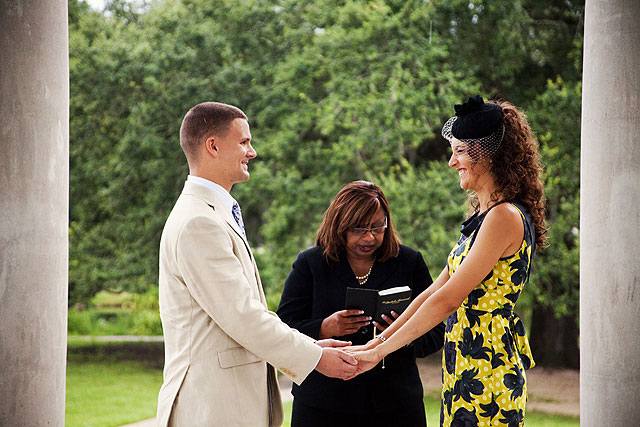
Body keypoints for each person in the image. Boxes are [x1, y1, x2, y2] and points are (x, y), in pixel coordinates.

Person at [156, 102, 358, 427]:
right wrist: (316, 358)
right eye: (244, 142)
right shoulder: (199, 222)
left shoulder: (211, 214)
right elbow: (243, 317)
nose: (252, 152)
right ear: (213, 146)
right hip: (213, 409)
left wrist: (308, 344)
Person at [349, 96, 547, 427]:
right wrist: (376, 344)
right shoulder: (484, 216)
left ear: (488, 155)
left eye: (460, 152)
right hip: (466, 363)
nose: (452, 161)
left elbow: (447, 301)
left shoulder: (503, 217)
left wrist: (378, 353)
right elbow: (432, 292)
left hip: (488, 370)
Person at [277, 180, 445, 426]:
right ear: (339, 225)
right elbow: (282, 328)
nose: (369, 237)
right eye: (358, 228)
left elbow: (438, 330)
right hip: (323, 403)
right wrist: (324, 327)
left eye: (378, 227)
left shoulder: (409, 262)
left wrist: (404, 333)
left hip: (396, 404)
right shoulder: (310, 264)